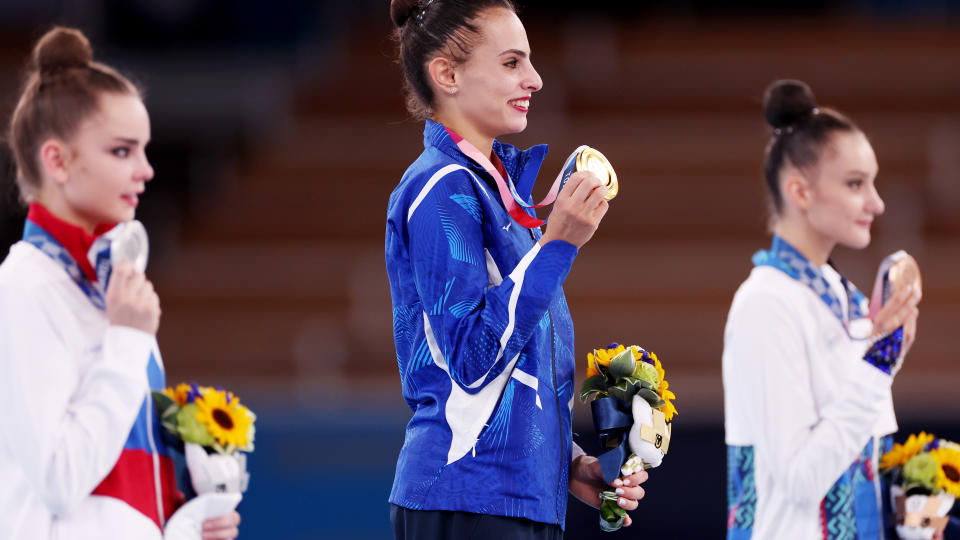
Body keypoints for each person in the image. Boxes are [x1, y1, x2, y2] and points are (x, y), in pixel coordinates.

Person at [384, 1, 647, 538]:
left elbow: (510, 372)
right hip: (465, 493)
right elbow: (473, 361)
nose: (535, 78)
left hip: (512, 498)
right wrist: (558, 245)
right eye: (511, 63)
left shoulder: (492, 190)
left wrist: (568, 464)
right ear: (447, 74)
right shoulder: (440, 188)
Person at [0, 27, 240, 540]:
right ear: (58, 160)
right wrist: (128, 340)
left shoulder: (112, 290)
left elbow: (110, 495)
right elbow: (60, 480)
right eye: (121, 151)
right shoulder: (23, 287)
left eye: (144, 150)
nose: (146, 170)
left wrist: (181, 524)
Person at [722, 79, 922, 540]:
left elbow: (862, 444)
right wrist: (881, 359)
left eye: (873, 182)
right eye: (856, 184)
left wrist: (907, 504)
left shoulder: (840, 294)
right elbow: (800, 481)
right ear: (801, 192)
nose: (877, 202)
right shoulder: (767, 303)